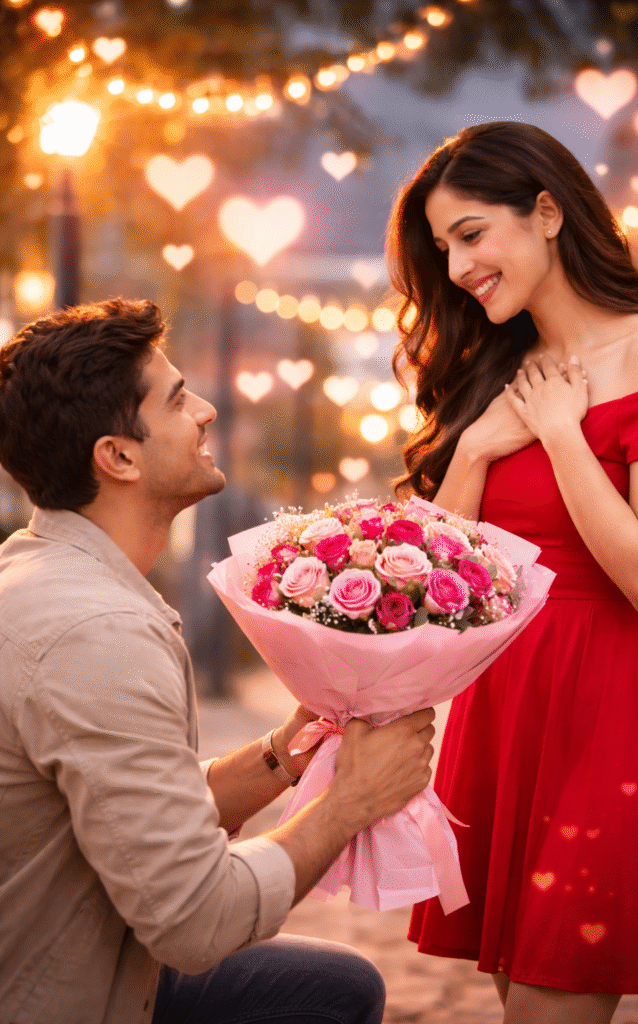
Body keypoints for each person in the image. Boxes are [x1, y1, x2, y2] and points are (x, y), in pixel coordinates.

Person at [0, 298, 436, 1024]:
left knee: (334, 985)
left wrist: (283, 756)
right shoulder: (96, 632)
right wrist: (350, 802)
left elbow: (130, 813)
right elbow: (196, 921)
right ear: (118, 456)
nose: (204, 411)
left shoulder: (42, 575)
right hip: (55, 991)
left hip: (95, 953)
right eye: (175, 400)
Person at [387, 121, 638, 1024]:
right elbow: (442, 579)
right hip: (503, 703)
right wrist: (474, 450)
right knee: (521, 999)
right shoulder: (494, 367)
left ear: (547, 211)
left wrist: (560, 434)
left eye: (471, 233)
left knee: (554, 1003)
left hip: (604, 705)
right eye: (442, 249)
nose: (457, 267)